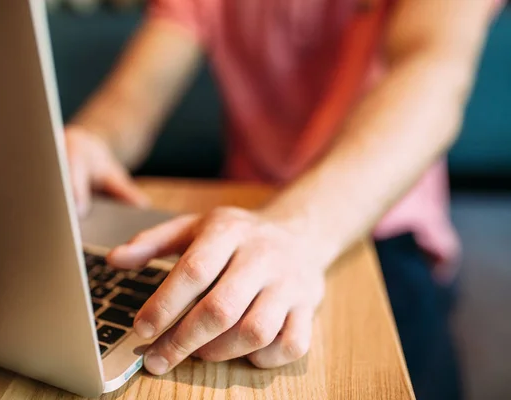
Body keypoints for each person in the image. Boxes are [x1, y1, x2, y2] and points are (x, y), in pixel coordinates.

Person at [64, 1, 502, 398]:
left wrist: (296, 229)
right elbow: (134, 98)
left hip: (382, 227)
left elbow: (432, 71)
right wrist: (90, 139)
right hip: (247, 220)